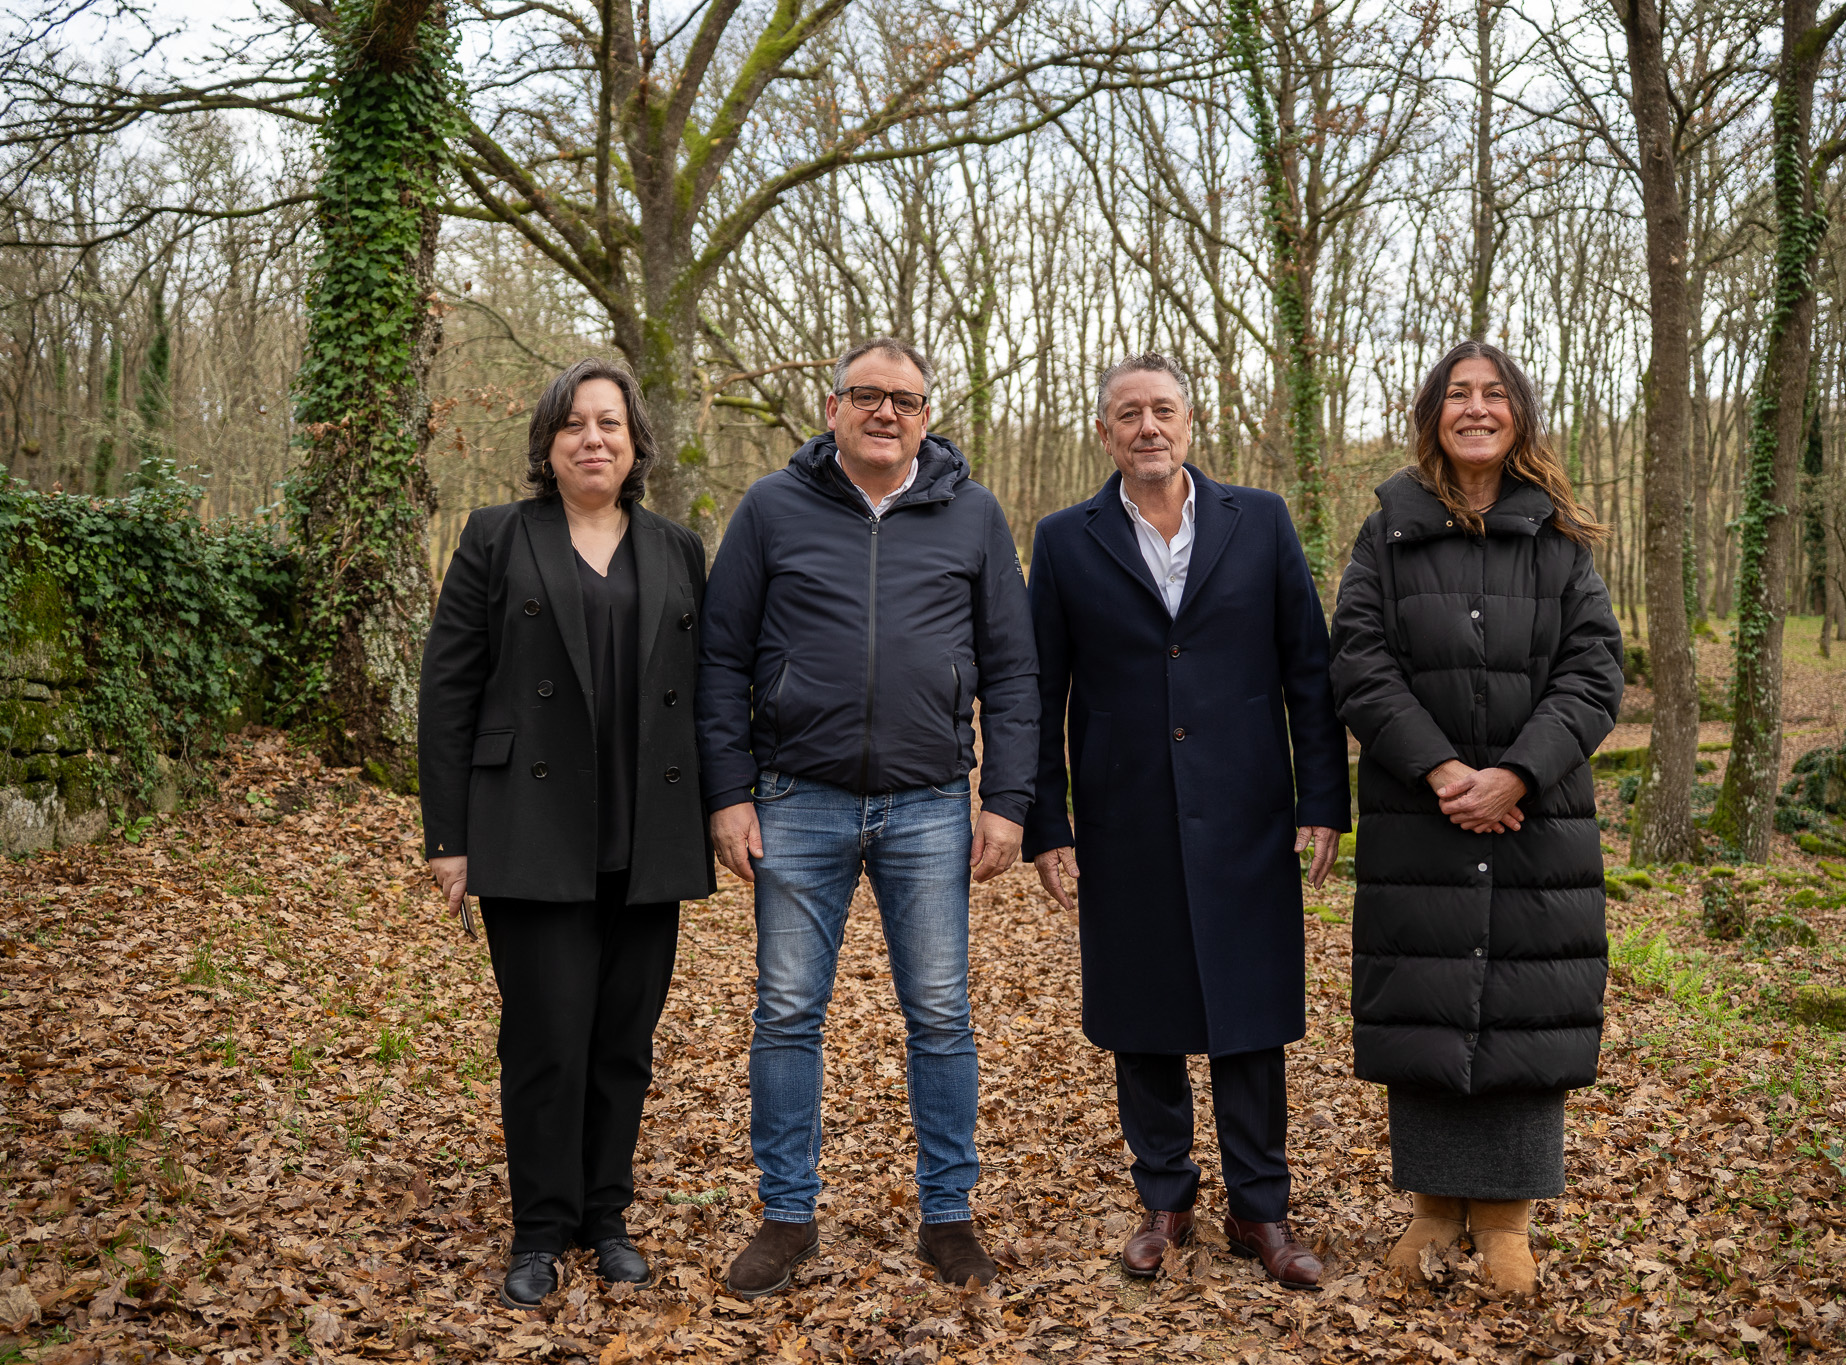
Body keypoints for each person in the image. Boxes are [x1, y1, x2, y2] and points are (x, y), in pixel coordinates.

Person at [696, 336, 1038, 1298]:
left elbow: (1013, 669)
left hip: (930, 803)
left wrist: (1006, 802)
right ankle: (787, 1214)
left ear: (928, 414)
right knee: (787, 1013)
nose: (886, 412)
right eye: (867, 396)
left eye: (906, 399)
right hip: (796, 799)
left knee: (938, 1015)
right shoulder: (770, 508)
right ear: (833, 406)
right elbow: (719, 662)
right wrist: (727, 793)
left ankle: (948, 1215)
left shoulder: (972, 514)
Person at [1023, 353, 1351, 1291]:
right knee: (1143, 1011)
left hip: (1249, 809)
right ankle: (1163, 1197)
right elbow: (1041, 692)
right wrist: (1051, 821)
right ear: (1104, 432)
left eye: (1163, 410)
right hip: (1124, 813)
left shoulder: (1263, 521)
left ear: (1191, 422)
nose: (1148, 427)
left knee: (1249, 1013)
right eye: (1128, 414)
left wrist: (1324, 800)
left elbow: (1308, 673)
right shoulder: (1065, 539)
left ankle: (1261, 1206)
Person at [418, 358, 715, 1309]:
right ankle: (539, 1229)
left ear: (636, 444)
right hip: (530, 830)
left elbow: (707, 693)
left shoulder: (679, 549)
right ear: (549, 444)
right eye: (575, 425)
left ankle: (606, 1217)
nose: (595, 438)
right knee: (548, 1038)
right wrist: (448, 836)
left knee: (624, 1039)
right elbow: (448, 690)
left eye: (611, 424)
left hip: (649, 830)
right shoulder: (497, 537)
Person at [1327, 341, 1622, 1295]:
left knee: (1526, 1011)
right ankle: (1430, 1212)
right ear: (1433, 415)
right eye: (1458, 394)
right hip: (1423, 813)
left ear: (1520, 414)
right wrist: (1447, 770)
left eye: (1495, 394)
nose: (1477, 408)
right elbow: (1359, 662)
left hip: (1539, 821)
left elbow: (1594, 672)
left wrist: (1519, 776)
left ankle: (1505, 1221)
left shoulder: (1561, 538)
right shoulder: (1389, 531)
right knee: (1427, 1003)